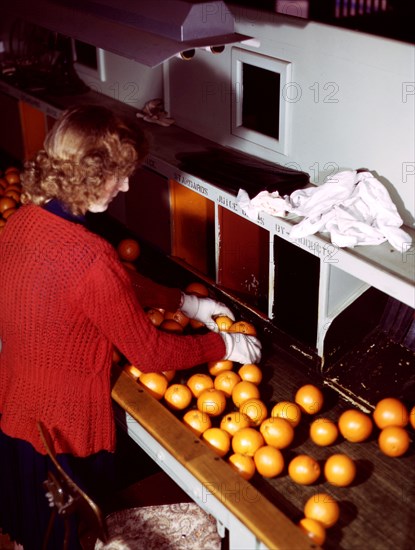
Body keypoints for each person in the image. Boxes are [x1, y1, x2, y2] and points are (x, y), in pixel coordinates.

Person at [0, 104, 261, 550]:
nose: (125, 185)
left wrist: (186, 302)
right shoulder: (91, 257)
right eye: (118, 175)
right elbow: (152, 354)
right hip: (66, 436)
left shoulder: (21, 221)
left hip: (18, 412)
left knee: (33, 532)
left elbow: (111, 283)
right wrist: (225, 345)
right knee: (65, 537)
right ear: (86, 176)